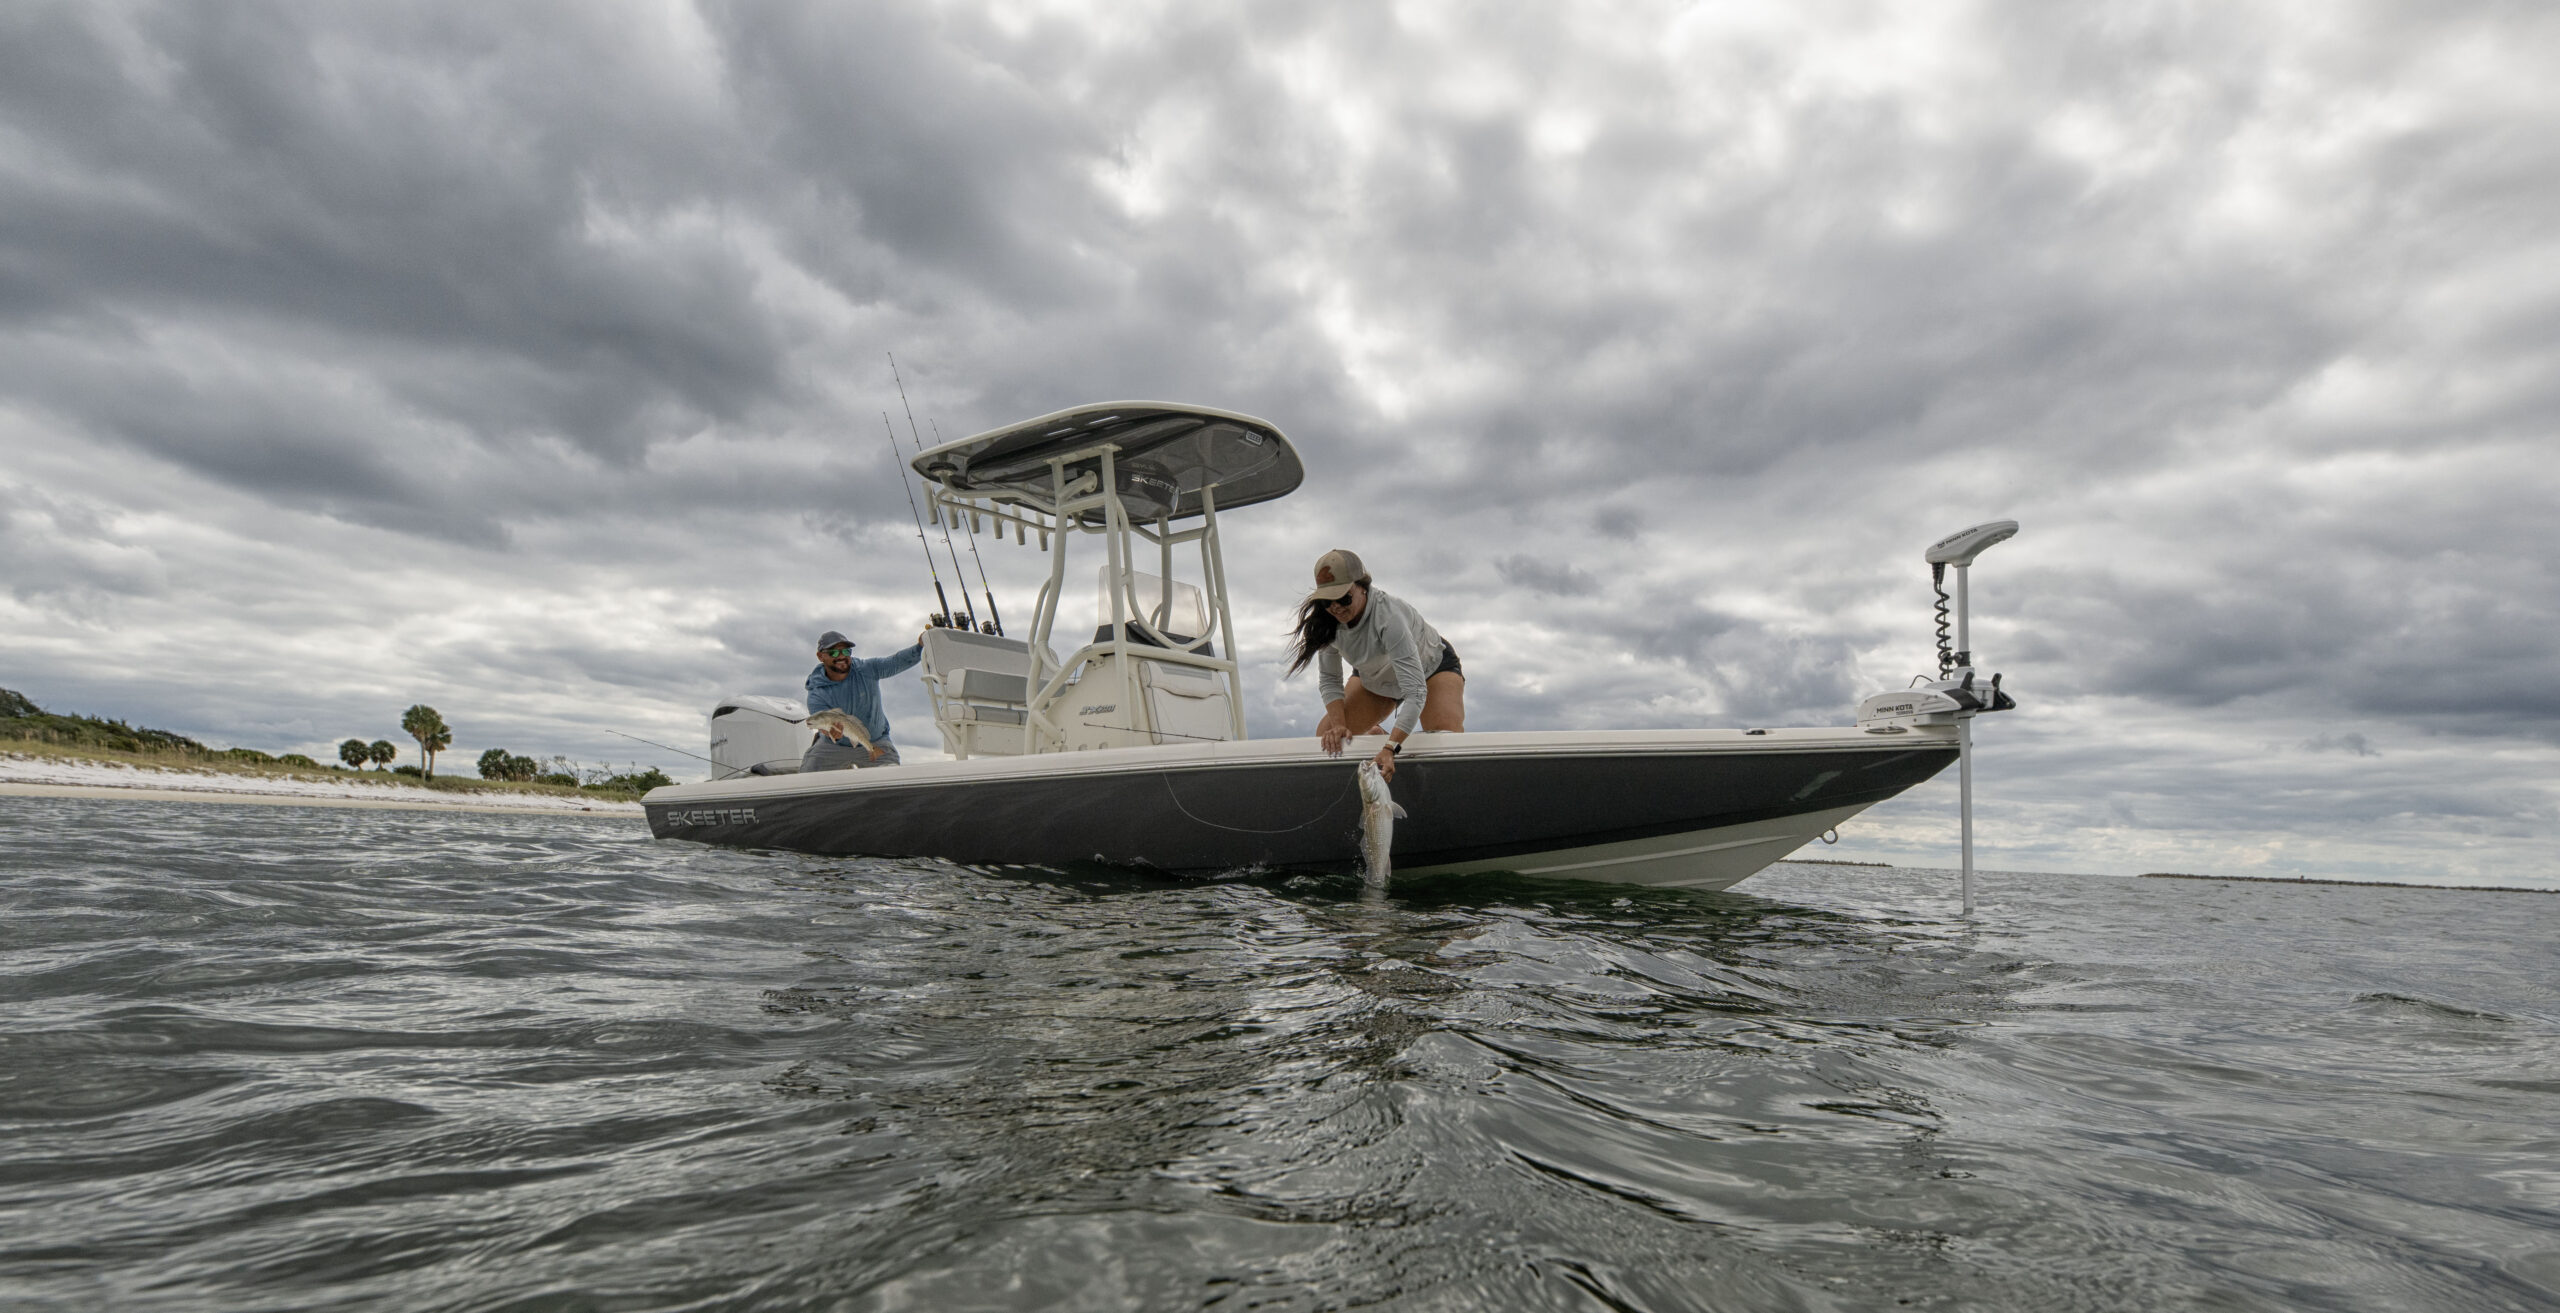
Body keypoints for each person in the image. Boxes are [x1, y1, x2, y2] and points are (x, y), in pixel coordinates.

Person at [1286, 549, 1464, 782]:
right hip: (1376, 676)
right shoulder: (1327, 623)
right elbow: (1330, 680)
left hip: (1430, 668)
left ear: (1362, 587)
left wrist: (1391, 748)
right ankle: (1376, 734)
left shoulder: (1388, 618)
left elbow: (1416, 691)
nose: (1336, 607)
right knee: (1328, 738)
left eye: (1344, 598)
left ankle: (1393, 742)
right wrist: (1339, 725)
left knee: (1444, 740)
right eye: (1327, 601)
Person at [802, 627, 925, 771]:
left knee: (891, 778)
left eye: (846, 651)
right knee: (808, 773)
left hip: (876, 741)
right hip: (833, 746)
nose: (841, 656)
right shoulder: (816, 692)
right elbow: (822, 724)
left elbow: (895, 662)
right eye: (834, 652)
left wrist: (920, 646)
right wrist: (830, 733)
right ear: (820, 656)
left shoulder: (867, 669)